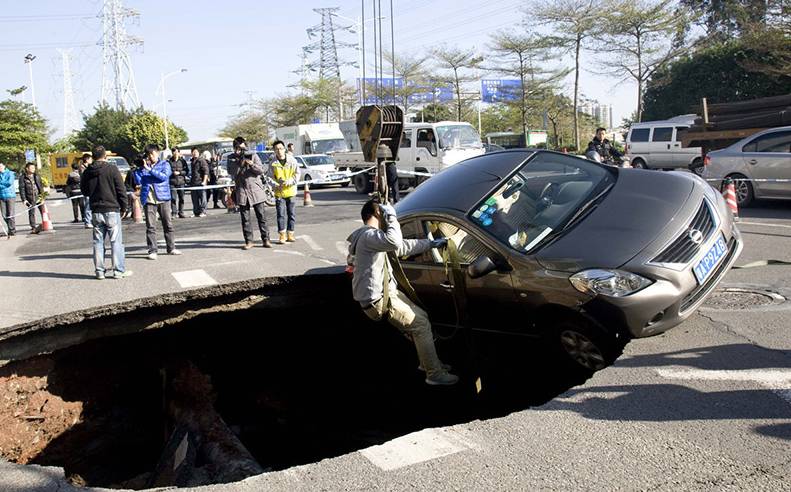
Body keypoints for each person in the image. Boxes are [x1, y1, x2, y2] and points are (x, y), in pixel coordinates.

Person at [347, 199, 458, 386]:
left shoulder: (371, 238)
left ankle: (428, 362)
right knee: (420, 324)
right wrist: (391, 215)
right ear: (379, 214)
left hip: (385, 293)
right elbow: (395, 240)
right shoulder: (368, 236)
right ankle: (434, 374)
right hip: (379, 300)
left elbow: (401, 246)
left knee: (421, 317)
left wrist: (431, 244)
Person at [80, 146, 131, 280]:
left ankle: (99, 271)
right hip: (112, 209)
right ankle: (118, 271)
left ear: (93, 156)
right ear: (105, 156)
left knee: (98, 242)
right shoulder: (112, 169)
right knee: (116, 242)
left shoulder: (87, 171)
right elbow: (121, 189)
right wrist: (124, 207)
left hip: (96, 210)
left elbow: (84, 191)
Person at [135, 144, 181, 260]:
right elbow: (139, 180)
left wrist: (150, 171)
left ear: (157, 153)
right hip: (149, 198)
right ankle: (152, 250)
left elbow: (164, 177)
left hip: (163, 198)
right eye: (148, 154)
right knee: (150, 226)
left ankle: (171, 247)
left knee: (168, 224)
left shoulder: (165, 164)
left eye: (152, 154)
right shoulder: (144, 166)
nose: (151, 157)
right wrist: (140, 167)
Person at [232, 139, 273, 250]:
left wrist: (252, 164)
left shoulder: (253, 155)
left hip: (255, 190)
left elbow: (261, 170)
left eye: (243, 148)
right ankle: (249, 241)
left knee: (262, 216)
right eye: (238, 148)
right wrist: (240, 162)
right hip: (242, 191)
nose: (241, 150)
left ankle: (266, 239)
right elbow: (233, 173)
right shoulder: (232, 158)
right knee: (245, 219)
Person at [270, 140, 298, 244]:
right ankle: (282, 235)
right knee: (280, 214)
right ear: (274, 151)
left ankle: (290, 234)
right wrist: (276, 184)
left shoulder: (292, 160)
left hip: (291, 191)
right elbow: (269, 177)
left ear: (284, 149)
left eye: (281, 148)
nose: (279, 151)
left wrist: (290, 181)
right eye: (277, 149)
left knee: (291, 214)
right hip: (279, 192)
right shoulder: (272, 163)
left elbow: (297, 174)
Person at [18, 162, 44, 234]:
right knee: (31, 213)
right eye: (31, 168)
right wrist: (24, 199)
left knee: (43, 211)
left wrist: (43, 197)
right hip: (30, 197)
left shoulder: (37, 176)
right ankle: (33, 227)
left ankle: (45, 224)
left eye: (34, 168)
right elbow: (22, 189)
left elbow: (40, 187)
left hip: (38, 196)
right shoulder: (22, 177)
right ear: (27, 168)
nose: (33, 169)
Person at [169, 148, 189, 218]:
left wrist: (180, 173)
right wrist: (172, 173)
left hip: (181, 182)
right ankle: (174, 213)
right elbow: (167, 171)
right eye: (174, 152)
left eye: (177, 152)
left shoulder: (183, 161)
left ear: (179, 152)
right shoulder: (169, 161)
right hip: (172, 182)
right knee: (173, 199)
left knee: (182, 198)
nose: (175, 153)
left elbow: (186, 171)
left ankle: (181, 212)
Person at [189, 148, 209, 217]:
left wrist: (204, 181)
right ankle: (196, 212)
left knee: (203, 197)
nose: (194, 153)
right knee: (194, 198)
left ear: (198, 153)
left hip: (200, 182)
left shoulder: (201, 160)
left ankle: (203, 211)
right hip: (193, 182)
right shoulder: (192, 161)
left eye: (196, 152)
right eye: (193, 152)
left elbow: (206, 171)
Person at [0, 162, 16, 237]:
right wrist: (4, 184)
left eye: (1, 166)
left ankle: (12, 229)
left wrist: (1, 184)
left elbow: (9, 183)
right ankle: (11, 227)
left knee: (10, 214)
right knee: (4, 215)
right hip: (1, 196)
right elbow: (5, 183)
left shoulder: (10, 173)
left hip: (10, 195)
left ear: (4, 166)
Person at [79, 153, 93, 229]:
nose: (91, 160)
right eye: (90, 159)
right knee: (88, 205)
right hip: (86, 188)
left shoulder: (87, 167)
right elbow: (84, 177)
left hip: (90, 187)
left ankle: (90, 220)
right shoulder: (82, 167)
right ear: (87, 159)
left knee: (90, 204)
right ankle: (87, 222)